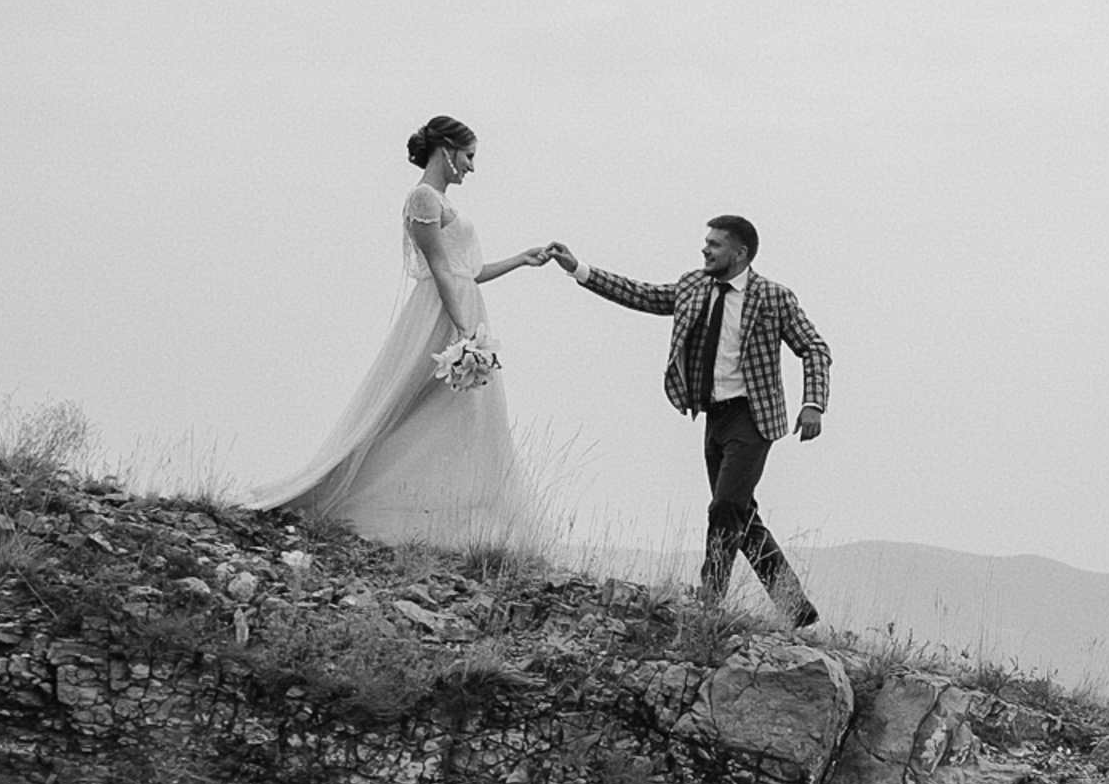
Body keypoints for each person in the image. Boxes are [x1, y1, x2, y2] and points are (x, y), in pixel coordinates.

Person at [248, 116, 554, 549]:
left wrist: (522, 259)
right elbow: (441, 269)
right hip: (442, 314)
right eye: (469, 157)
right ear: (446, 150)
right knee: (411, 405)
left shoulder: (442, 203)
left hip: (464, 306)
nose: (472, 167)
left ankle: (453, 524)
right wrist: (464, 330)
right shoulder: (423, 200)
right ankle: (361, 499)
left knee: (470, 415)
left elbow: (469, 271)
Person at [545, 218, 831, 626]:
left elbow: (814, 348)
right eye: (706, 242)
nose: (705, 250)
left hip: (753, 417)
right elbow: (642, 296)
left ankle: (709, 601)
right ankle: (796, 609)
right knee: (741, 515)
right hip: (713, 416)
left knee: (725, 506)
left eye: (714, 244)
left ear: (740, 254)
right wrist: (578, 268)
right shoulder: (694, 286)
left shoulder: (773, 297)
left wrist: (814, 404)